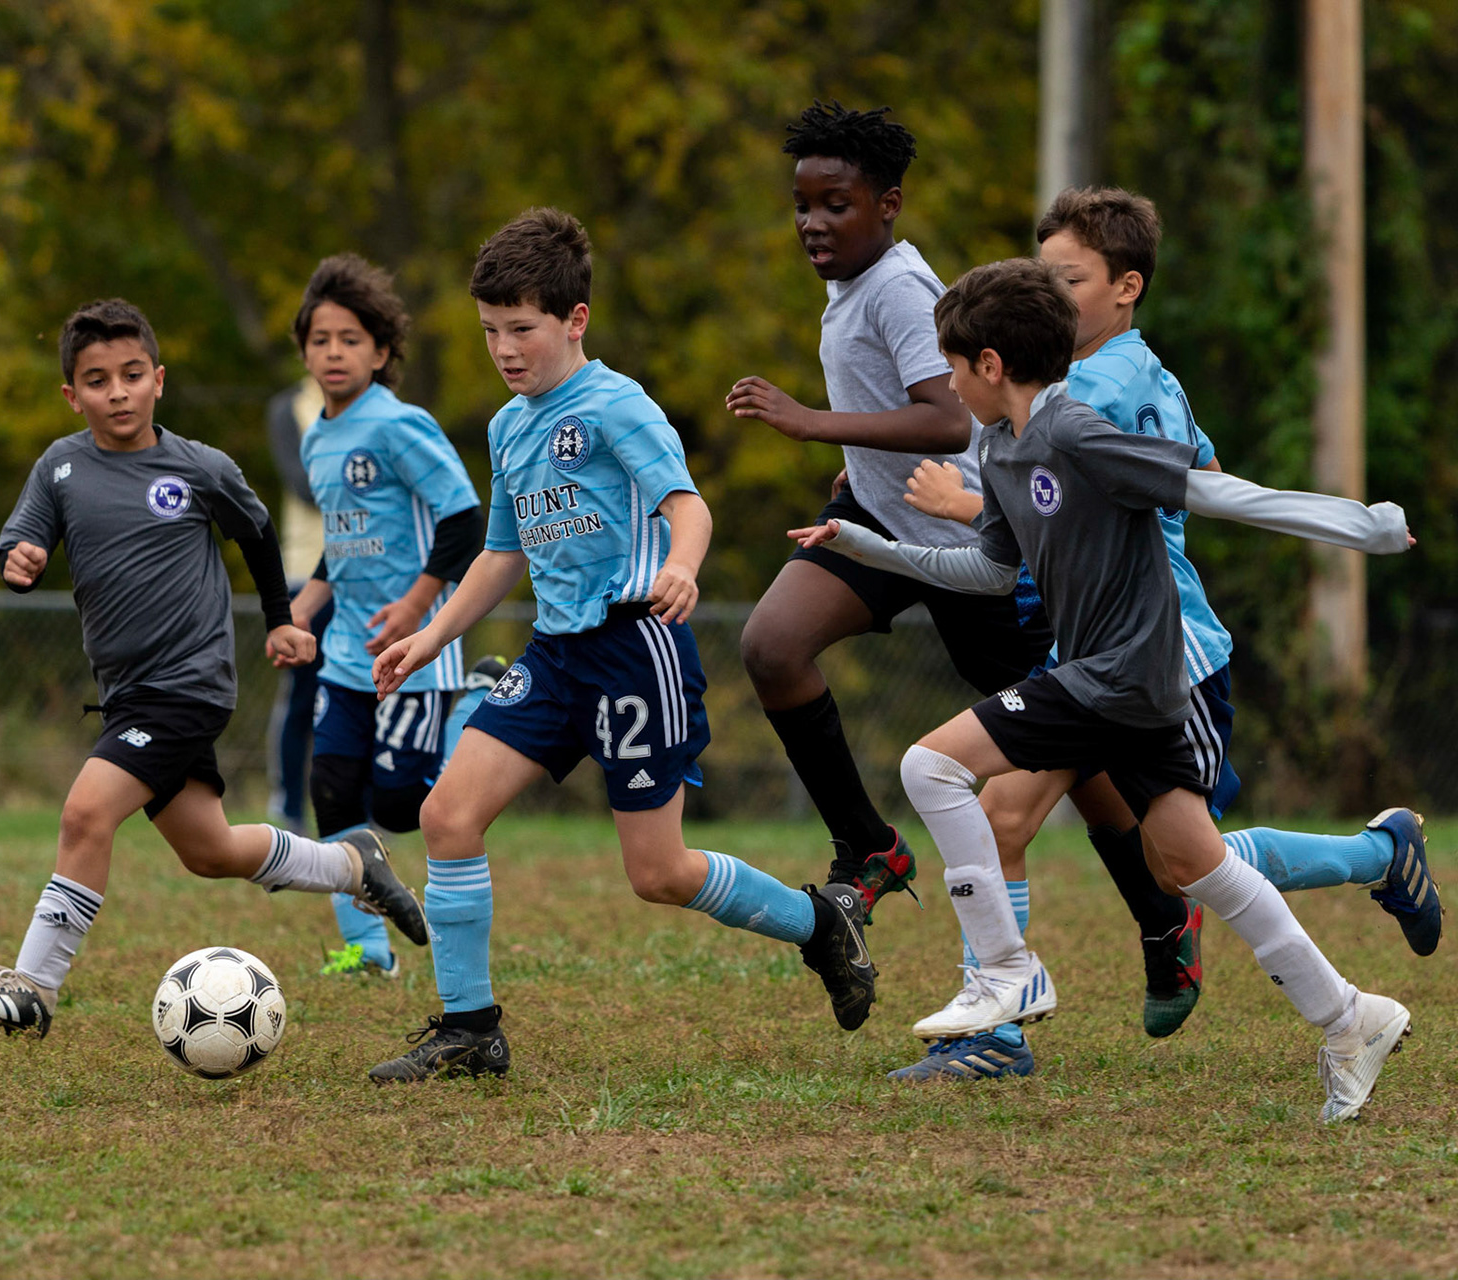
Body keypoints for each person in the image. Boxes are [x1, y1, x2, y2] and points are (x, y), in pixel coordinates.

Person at [800, 257, 1416, 1122]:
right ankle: (1352, 1017)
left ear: (989, 366)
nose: (943, 382)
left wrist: (1361, 526)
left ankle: (1008, 976)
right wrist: (869, 550)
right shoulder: (1005, 446)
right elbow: (987, 568)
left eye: (951, 363)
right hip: (1111, 680)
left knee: (929, 767)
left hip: (1119, 675)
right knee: (1197, 865)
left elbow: (1211, 489)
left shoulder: (1077, 431)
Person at [364, 208, 872, 1083]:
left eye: (523, 329)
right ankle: (470, 1030)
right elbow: (500, 555)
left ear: (575, 320)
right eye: (490, 331)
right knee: (448, 815)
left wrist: (681, 566)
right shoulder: (508, 426)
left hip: (639, 649)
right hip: (557, 656)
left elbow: (688, 505)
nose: (506, 349)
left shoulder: (614, 404)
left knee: (660, 873)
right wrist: (428, 635)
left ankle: (820, 924)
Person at [0, 299, 429, 1038]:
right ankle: (352, 866)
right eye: (98, 380)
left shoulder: (200, 467)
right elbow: (23, 539)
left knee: (85, 812)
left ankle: (35, 988)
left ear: (159, 380)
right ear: (72, 395)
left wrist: (280, 619)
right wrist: (21, 560)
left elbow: (260, 532)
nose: (118, 393)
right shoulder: (61, 466)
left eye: (132, 375)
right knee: (211, 850)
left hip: (188, 689)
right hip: (126, 696)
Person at [725, 102, 1052, 934]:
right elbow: (896, 409)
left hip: (966, 541)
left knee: (1075, 741)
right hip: (876, 516)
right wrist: (860, 462)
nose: (813, 222)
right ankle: (866, 846)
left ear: (888, 205)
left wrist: (811, 422)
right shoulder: (851, 286)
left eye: (837, 204)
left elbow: (946, 418)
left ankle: (1166, 900)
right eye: (803, 204)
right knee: (771, 644)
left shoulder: (901, 287)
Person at [286, 254, 483, 979]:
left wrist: (416, 605)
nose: (333, 352)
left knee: (400, 808)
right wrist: (301, 611)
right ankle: (368, 951)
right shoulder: (316, 440)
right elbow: (342, 545)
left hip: (418, 655)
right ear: (304, 350)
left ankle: (474, 701)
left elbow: (465, 521)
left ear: (381, 351)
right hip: (346, 656)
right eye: (320, 339)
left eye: (350, 339)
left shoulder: (402, 427)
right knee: (331, 791)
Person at [262, 376, 329, 836]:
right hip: (306, 574)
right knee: (301, 697)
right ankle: (289, 806)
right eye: (321, 339)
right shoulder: (287, 409)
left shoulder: (380, 408)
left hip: (367, 578)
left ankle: (357, 808)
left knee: (360, 694)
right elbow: (302, 485)